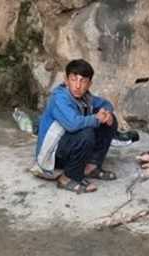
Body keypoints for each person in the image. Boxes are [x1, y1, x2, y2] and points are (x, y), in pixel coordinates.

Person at [35, 59, 117, 194]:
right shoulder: (59, 98)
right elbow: (73, 124)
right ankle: (67, 178)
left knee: (111, 121)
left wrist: (107, 114)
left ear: (89, 84)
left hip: (68, 148)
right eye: (73, 80)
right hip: (53, 154)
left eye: (83, 81)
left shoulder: (86, 97)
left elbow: (106, 103)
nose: (78, 86)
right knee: (86, 132)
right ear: (66, 80)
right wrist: (96, 118)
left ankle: (90, 167)